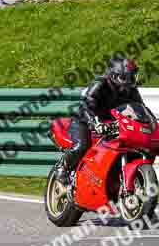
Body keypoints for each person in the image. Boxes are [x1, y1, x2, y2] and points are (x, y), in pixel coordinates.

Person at [55, 56, 143, 185]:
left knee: (133, 148)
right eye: (124, 77)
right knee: (81, 146)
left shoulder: (131, 90)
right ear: (113, 75)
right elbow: (86, 105)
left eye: (131, 77)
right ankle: (62, 167)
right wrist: (94, 122)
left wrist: (151, 123)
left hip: (112, 125)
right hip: (84, 121)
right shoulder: (100, 84)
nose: (128, 82)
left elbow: (141, 108)